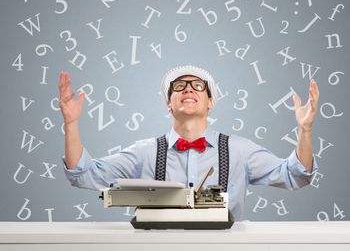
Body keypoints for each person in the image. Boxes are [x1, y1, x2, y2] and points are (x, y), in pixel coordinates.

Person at [59, 65, 319, 221]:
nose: (188, 89)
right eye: (179, 86)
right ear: (168, 103)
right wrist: (70, 124)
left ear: (211, 102)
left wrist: (304, 130)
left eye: (197, 85)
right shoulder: (144, 152)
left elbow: (295, 175)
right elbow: (83, 174)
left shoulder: (240, 150)